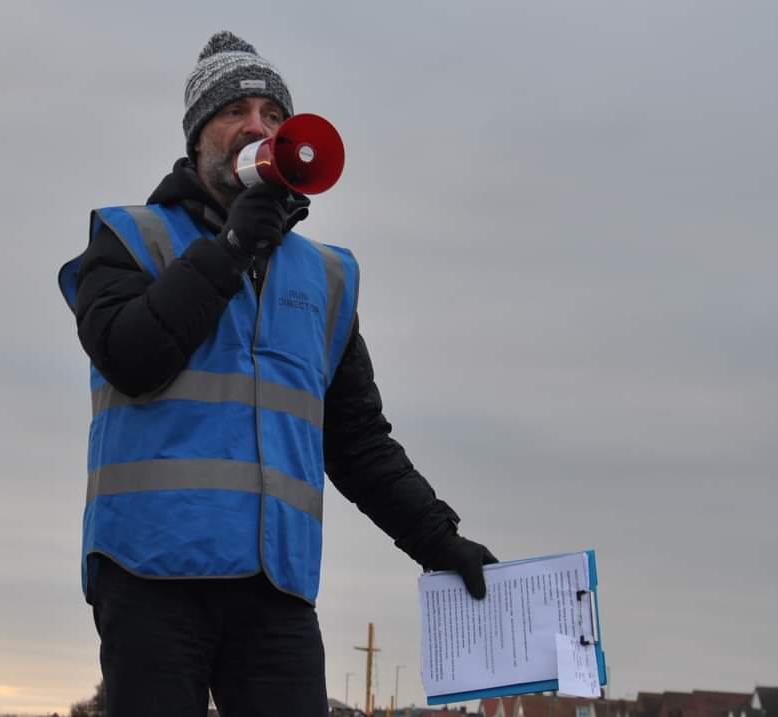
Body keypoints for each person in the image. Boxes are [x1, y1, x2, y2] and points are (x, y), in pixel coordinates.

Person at [58, 30, 498, 717]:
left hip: (275, 585)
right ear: (199, 134)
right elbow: (131, 356)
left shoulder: (323, 276)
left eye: (273, 114)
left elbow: (356, 441)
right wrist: (234, 244)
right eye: (236, 111)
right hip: (150, 571)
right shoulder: (129, 237)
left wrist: (439, 540)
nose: (256, 126)